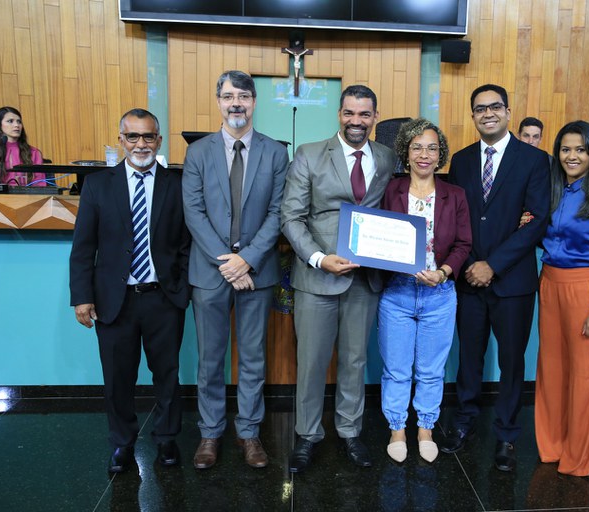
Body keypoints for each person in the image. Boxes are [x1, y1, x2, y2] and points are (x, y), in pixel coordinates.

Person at [281, 84, 397, 473]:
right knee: (312, 361)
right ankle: (307, 435)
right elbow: (291, 217)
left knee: (355, 360)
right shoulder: (310, 154)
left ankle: (350, 431)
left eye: (364, 114)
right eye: (349, 113)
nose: (356, 121)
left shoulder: (386, 157)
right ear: (339, 114)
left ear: (375, 117)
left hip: (364, 280)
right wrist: (318, 259)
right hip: (317, 277)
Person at [69, 108, 189, 473]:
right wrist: (82, 297)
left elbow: (187, 243)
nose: (141, 144)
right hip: (113, 300)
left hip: (162, 298)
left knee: (167, 374)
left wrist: (181, 289)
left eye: (148, 136)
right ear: (121, 139)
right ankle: (122, 443)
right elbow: (84, 247)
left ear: (159, 140)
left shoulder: (177, 183)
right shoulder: (97, 185)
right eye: (132, 136)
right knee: (117, 377)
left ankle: (167, 439)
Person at [183, 70, 289, 470]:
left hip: (256, 272)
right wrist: (228, 263)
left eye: (243, 96)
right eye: (228, 96)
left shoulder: (275, 153)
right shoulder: (198, 153)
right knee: (210, 359)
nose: (236, 103)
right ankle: (210, 432)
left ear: (254, 102)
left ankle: (249, 432)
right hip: (210, 274)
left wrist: (248, 259)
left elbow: (278, 212)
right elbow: (193, 212)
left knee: (253, 358)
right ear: (218, 102)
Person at [443, 83, 551, 472]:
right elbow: (455, 218)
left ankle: (506, 433)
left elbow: (537, 220)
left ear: (507, 112)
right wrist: (472, 263)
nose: (487, 113)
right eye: (479, 108)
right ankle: (466, 419)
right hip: (468, 278)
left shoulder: (535, 160)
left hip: (513, 281)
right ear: (473, 115)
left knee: (511, 360)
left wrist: (493, 264)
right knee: (469, 357)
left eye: (494, 107)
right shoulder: (460, 160)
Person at [377, 118, 471, 463]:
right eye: (417, 147)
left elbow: (463, 243)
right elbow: (378, 237)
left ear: (440, 154)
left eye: (432, 148)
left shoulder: (455, 195)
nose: (424, 154)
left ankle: (426, 429)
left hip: (439, 295)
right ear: (405, 152)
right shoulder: (390, 190)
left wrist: (444, 272)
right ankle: (397, 429)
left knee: (431, 370)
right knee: (397, 369)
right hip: (397, 293)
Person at [534, 120, 589, 476]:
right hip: (549, 284)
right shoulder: (554, 191)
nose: (572, 156)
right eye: (565, 149)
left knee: (586, 375)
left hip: (586, 290)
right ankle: (553, 446)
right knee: (552, 370)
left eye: (580, 150)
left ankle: (583, 455)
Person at [0, 106, 46, 186]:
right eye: (10, 121)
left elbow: (40, 185)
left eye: (19, 122)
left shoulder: (34, 153)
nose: (16, 125)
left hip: (25, 194)